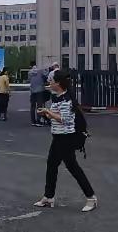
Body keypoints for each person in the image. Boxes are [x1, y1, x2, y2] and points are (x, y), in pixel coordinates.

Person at [33, 69, 97, 212]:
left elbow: (65, 120)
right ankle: (48, 197)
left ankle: (91, 197)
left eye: (51, 81)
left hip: (66, 138)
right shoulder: (58, 97)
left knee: (73, 167)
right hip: (58, 136)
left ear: (58, 83)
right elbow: (57, 116)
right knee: (51, 165)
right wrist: (47, 113)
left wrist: (48, 112)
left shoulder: (67, 99)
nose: (49, 83)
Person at [29, 61, 48, 127]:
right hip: (40, 90)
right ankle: (38, 121)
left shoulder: (29, 72)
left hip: (32, 91)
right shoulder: (40, 71)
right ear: (36, 65)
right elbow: (46, 75)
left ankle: (33, 121)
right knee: (39, 106)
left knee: (32, 106)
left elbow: (29, 80)